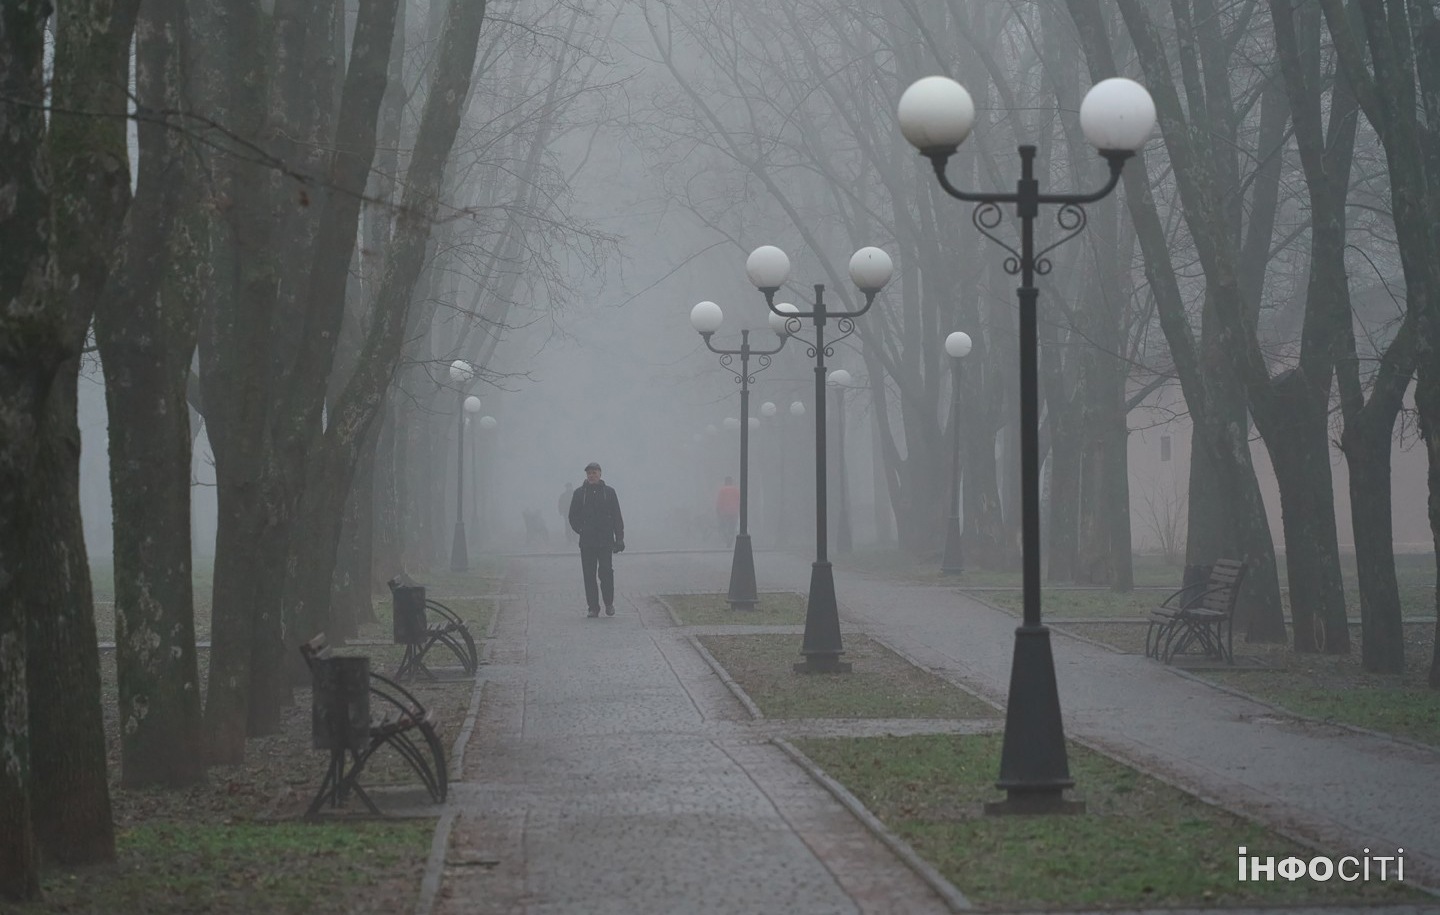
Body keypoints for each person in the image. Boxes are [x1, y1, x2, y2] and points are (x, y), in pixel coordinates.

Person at [568, 462, 625, 617]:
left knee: (606, 572)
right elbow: (572, 516)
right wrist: (581, 530)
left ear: (600, 474)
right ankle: (593, 607)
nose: (591, 476)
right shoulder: (579, 493)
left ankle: (608, 603)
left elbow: (617, 517)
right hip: (587, 542)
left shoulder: (609, 492)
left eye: (594, 473)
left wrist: (619, 538)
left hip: (606, 540)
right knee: (589, 574)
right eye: (589, 473)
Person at [715, 475, 740, 544]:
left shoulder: (722, 490)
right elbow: (739, 500)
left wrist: (718, 510)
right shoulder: (736, 490)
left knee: (723, 526)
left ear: (725, 482)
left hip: (724, 512)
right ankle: (731, 538)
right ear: (731, 482)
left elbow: (719, 501)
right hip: (734, 512)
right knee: (732, 526)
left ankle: (726, 537)